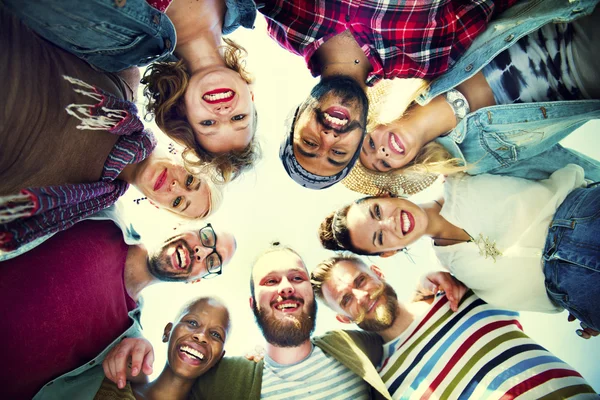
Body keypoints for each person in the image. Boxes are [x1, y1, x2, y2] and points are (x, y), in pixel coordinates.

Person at [0, 6, 222, 252]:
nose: (175, 188)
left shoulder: (76, 208)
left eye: (178, 201)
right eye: (190, 180)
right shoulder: (126, 79)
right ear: (187, 154)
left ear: (157, 205)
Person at [257, 0, 518, 189]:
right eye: (338, 153)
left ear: (296, 119)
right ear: (360, 138)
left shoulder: (284, 19)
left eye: (310, 143)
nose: (329, 138)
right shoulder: (430, 56)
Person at [319, 165, 600, 333]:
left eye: (377, 211)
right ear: (388, 253)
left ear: (385, 194)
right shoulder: (457, 271)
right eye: (380, 238)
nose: (389, 223)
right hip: (578, 294)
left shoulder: (465, 173)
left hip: (584, 220)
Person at [3, 0, 260, 182]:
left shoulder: (117, 52)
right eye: (239, 119)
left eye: (208, 123)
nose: (223, 112)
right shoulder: (248, 7)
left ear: (183, 109)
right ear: (250, 97)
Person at [359, 0, 600, 183]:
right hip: (589, 79)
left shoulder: (423, 66)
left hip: (573, 14)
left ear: (376, 122)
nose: (383, 153)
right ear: (405, 165)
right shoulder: (474, 160)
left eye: (371, 144)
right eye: (384, 164)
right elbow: (551, 161)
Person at [0, 219, 236, 399]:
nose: (202, 252)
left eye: (212, 262)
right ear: (181, 223)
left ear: (195, 280)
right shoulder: (102, 218)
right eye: (207, 237)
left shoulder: (125, 341)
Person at [310, 255, 599, 398]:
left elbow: (537, 268)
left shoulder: (457, 292)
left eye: (360, 281)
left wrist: (588, 304)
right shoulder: (385, 386)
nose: (361, 296)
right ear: (343, 319)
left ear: (377, 272)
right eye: (346, 299)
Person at [188, 244, 392, 399]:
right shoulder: (220, 381)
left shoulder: (356, 346)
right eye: (271, 281)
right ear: (253, 304)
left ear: (311, 295)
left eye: (297, 278)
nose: (286, 288)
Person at [95, 297, 230, 400]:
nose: (201, 336)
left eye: (215, 334)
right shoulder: (110, 384)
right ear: (167, 332)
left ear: (219, 359)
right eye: (192, 322)